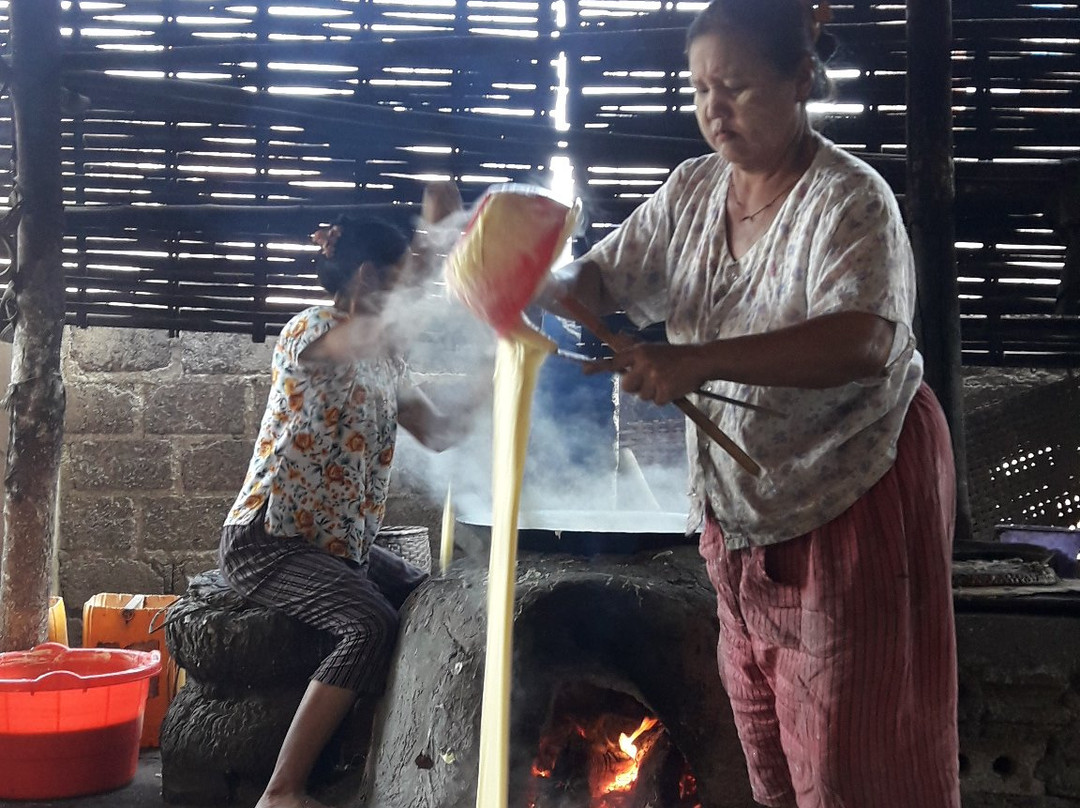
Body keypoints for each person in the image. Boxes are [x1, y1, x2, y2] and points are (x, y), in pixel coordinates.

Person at [539, 1, 961, 805]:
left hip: (852, 495)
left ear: (801, 78)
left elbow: (864, 341)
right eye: (700, 89)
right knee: (772, 758)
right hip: (747, 516)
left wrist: (694, 362)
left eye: (734, 87)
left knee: (856, 770)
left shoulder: (848, 200)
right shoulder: (696, 190)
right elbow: (598, 279)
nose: (713, 111)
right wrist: (524, 272)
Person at [218, 184, 471, 808]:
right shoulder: (313, 331)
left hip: (332, 548)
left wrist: (503, 380)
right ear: (365, 276)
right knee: (368, 624)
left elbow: (437, 433)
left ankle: (402, 752)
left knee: (426, 593)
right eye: (391, 282)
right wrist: (434, 245)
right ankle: (283, 791)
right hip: (268, 541)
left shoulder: (385, 361)